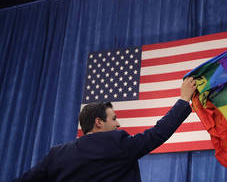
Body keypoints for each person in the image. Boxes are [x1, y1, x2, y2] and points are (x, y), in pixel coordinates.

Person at [14, 77, 196, 182]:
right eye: (114, 118)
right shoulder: (117, 144)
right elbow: (157, 133)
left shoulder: (57, 154)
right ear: (98, 122)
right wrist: (183, 99)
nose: (118, 124)